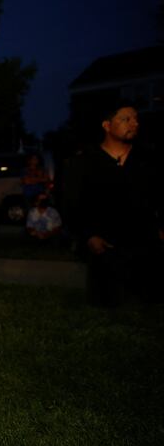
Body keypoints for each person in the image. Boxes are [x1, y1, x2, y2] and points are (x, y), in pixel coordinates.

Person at [74, 103, 163, 306]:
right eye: (126, 119)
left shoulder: (147, 160)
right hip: (106, 247)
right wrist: (88, 235)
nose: (134, 123)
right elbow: (75, 203)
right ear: (107, 125)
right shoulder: (85, 162)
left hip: (145, 246)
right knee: (110, 304)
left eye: (136, 119)